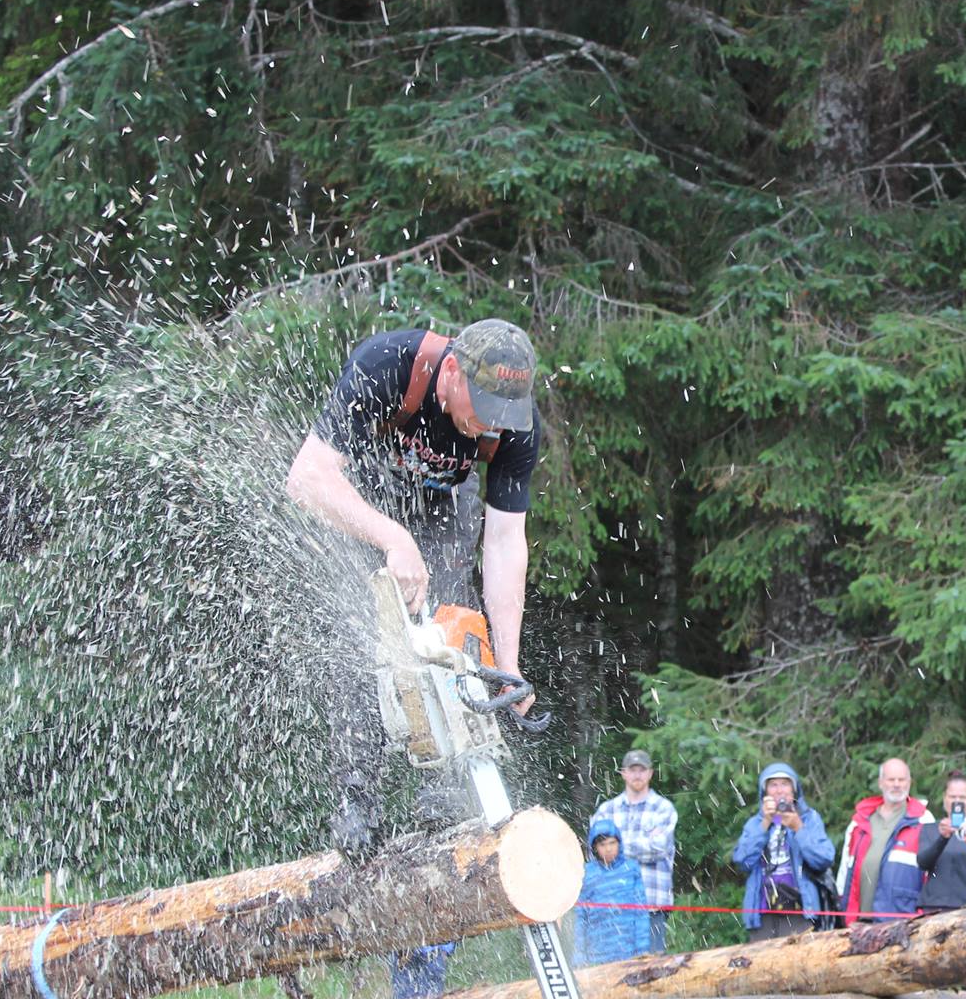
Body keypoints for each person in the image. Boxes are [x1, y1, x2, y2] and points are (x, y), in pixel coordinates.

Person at [286, 319, 545, 859]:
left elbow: (503, 542)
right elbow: (307, 477)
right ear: (452, 371)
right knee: (361, 641)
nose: (487, 427)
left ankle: (442, 795)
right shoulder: (390, 363)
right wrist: (391, 537)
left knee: (449, 636)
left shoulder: (516, 425)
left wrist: (510, 663)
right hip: (366, 503)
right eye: (482, 410)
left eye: (501, 416)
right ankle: (358, 801)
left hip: (444, 510)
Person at [732, 762, 836, 940]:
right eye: (773, 785)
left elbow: (824, 859)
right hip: (762, 914)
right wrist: (765, 823)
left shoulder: (809, 819)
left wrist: (798, 828)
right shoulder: (755, 823)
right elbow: (743, 861)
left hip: (800, 912)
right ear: (764, 792)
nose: (779, 790)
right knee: (762, 966)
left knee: (801, 966)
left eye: (785, 784)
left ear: (794, 790)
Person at [593, 750, 678, 954]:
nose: (637, 775)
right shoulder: (606, 810)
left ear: (650, 773)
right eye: (633, 770)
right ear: (623, 773)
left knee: (653, 972)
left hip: (652, 905)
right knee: (615, 973)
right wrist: (641, 843)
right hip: (614, 908)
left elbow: (658, 850)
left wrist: (617, 845)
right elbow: (598, 853)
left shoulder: (663, 808)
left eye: (642, 770)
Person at [838, 759, 935, 922]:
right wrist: (847, 915)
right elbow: (844, 873)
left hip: (903, 922)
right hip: (860, 923)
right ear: (881, 783)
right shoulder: (859, 822)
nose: (896, 784)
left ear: (909, 783)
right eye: (891, 779)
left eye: (901, 779)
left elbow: (932, 875)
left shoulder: (924, 820)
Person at [916, 772, 966, 914]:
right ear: (944, 799)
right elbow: (923, 863)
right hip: (935, 906)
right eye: (952, 797)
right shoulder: (930, 829)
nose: (957, 802)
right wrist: (943, 838)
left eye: (963, 797)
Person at [574, 819, 650, 965]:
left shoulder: (631, 869)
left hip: (629, 949)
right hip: (597, 952)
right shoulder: (586, 873)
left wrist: (642, 948)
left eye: (612, 843)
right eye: (602, 845)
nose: (608, 849)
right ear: (594, 847)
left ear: (619, 843)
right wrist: (579, 952)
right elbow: (581, 916)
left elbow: (641, 912)